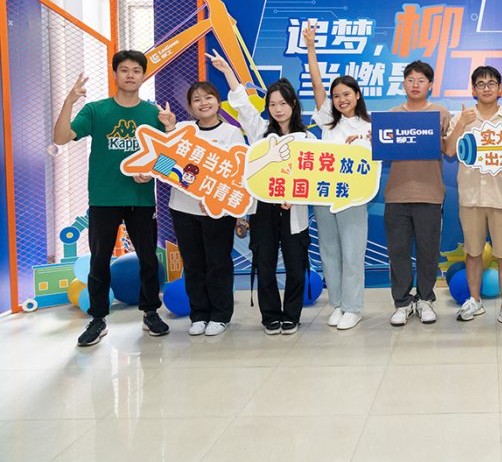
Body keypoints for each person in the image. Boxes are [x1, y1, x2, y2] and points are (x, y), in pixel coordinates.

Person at [53, 50, 175, 347]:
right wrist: (69, 101)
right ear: (115, 74)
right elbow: (61, 137)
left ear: (143, 75)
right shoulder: (96, 110)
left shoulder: (153, 114)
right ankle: (98, 319)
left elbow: (170, 160)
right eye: (124, 70)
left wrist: (153, 171)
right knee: (99, 260)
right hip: (104, 197)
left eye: (136, 70)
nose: (130, 75)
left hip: (141, 199)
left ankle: (150, 313)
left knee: (148, 258)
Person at [210, 51, 312, 335]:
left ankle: (291, 315)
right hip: (263, 209)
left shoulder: (308, 138)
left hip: (293, 210)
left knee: (295, 265)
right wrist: (228, 71)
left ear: (293, 104)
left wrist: (296, 197)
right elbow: (243, 105)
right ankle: (270, 316)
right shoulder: (259, 132)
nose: (278, 109)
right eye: (272, 104)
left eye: (283, 103)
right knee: (264, 264)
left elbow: (313, 179)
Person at [304, 21, 372, 331]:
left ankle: (354, 307)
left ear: (357, 95)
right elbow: (316, 84)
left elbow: (374, 161)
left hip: (353, 196)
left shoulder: (370, 126)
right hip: (324, 193)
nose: (341, 99)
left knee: (353, 253)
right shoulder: (327, 122)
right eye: (336, 96)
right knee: (329, 251)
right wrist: (311, 47)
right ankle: (338, 304)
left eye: (346, 94)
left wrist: (362, 145)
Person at [444, 66, 502, 330]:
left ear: (500, 89)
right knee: (473, 252)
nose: (486, 88)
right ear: (473, 89)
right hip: (471, 197)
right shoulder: (462, 117)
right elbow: (449, 151)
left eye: (491, 83)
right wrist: (462, 124)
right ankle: (474, 300)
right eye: (480, 84)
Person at [169, 81, 246, 337]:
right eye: (197, 99)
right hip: (182, 207)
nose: (204, 103)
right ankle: (199, 314)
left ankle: (220, 315)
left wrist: (215, 197)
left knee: (218, 262)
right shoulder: (183, 130)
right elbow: (166, 161)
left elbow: (237, 173)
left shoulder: (232, 133)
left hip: (218, 209)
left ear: (218, 102)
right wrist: (168, 129)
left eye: (208, 97)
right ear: (191, 107)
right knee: (193, 263)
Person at [383, 61, 451, 327]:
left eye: (421, 80)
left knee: (428, 251)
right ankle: (402, 303)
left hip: (430, 194)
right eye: (410, 80)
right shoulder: (392, 115)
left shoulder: (440, 113)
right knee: (398, 252)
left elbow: (449, 149)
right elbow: (382, 148)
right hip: (396, 194)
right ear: (403, 84)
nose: (415, 85)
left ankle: (425, 300)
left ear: (430, 85)